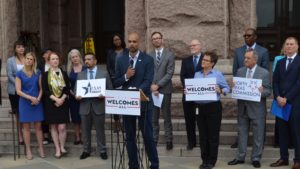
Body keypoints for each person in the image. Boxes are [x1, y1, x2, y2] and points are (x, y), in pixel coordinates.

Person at [114, 32, 159, 169]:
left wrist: (135, 91)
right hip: (127, 105)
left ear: (139, 43)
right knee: (129, 137)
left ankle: (154, 164)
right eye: (129, 41)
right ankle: (133, 165)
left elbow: (148, 80)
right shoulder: (121, 60)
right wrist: (126, 76)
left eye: (134, 41)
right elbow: (116, 82)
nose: (132, 44)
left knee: (148, 136)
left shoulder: (147, 59)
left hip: (144, 104)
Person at [228, 50, 271, 168]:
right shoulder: (240, 71)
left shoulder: (264, 73)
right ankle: (240, 157)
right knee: (242, 133)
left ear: (255, 60)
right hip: (243, 108)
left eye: (248, 58)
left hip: (257, 109)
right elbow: (236, 89)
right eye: (245, 58)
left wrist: (261, 91)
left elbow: (268, 91)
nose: (245, 60)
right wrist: (233, 87)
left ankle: (256, 158)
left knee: (258, 135)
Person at [231, 28, 270, 149]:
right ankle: (240, 149)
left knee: (258, 128)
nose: (246, 37)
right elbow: (235, 71)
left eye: (249, 35)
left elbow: (264, 71)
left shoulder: (263, 51)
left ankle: (258, 150)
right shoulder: (238, 51)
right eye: (245, 36)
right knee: (242, 127)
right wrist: (238, 86)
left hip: (256, 100)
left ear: (255, 37)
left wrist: (254, 88)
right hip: (243, 98)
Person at [192, 51, 229, 169]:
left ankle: (212, 161)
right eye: (203, 59)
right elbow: (194, 89)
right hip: (200, 107)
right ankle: (204, 159)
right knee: (203, 135)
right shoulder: (197, 74)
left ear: (212, 63)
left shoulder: (217, 75)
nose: (203, 61)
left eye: (206, 60)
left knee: (212, 135)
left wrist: (221, 90)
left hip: (213, 107)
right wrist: (189, 91)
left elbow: (227, 88)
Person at [270, 37, 300, 169]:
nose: (289, 46)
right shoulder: (280, 62)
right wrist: (277, 96)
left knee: (296, 132)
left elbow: (299, 83)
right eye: (287, 44)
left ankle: (298, 160)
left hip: (294, 103)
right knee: (282, 132)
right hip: (280, 103)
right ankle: (283, 158)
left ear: (297, 46)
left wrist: (286, 98)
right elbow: (275, 81)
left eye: (292, 44)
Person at [77, 53, 112, 160]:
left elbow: (110, 89)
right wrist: (77, 96)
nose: (87, 61)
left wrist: (104, 94)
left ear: (95, 61)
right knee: (85, 130)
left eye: (89, 59)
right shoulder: (80, 74)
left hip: (99, 106)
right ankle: (86, 150)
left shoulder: (104, 73)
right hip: (84, 106)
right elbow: (75, 90)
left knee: (100, 130)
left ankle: (102, 150)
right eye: (85, 59)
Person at [15, 52, 45, 160]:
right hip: (25, 102)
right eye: (27, 58)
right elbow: (18, 91)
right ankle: (28, 150)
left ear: (34, 61)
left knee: (38, 127)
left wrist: (38, 98)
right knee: (26, 128)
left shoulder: (38, 72)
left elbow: (41, 88)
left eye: (31, 59)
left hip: (37, 102)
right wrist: (30, 98)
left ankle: (41, 148)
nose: (28, 60)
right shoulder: (19, 73)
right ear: (24, 60)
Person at [149, 31, 175, 150]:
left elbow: (169, 73)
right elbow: (147, 72)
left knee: (166, 117)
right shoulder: (149, 55)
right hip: (152, 91)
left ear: (162, 39)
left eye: (158, 38)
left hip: (165, 90)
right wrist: (152, 86)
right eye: (154, 39)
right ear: (152, 41)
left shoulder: (169, 55)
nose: (156, 40)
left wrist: (158, 85)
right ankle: (154, 139)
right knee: (154, 117)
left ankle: (169, 140)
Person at [42, 51, 70, 158]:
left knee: (62, 127)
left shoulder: (64, 73)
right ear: (49, 61)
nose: (55, 61)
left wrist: (61, 99)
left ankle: (62, 146)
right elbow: (45, 90)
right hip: (50, 103)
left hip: (63, 102)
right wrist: (56, 100)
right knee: (53, 127)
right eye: (53, 59)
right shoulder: (45, 75)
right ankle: (57, 149)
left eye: (57, 59)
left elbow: (67, 89)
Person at [180, 39, 203, 150]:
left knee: (201, 120)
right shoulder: (186, 60)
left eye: (194, 45)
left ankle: (203, 141)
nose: (192, 47)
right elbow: (182, 76)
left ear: (200, 46)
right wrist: (188, 87)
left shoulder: (206, 59)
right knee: (189, 120)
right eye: (190, 46)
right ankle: (191, 142)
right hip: (188, 95)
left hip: (202, 96)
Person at [106, 33, 128, 131]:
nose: (117, 41)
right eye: (115, 40)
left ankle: (125, 122)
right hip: (114, 79)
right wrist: (113, 76)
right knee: (116, 101)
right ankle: (117, 123)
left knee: (124, 101)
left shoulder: (127, 51)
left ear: (122, 40)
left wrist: (125, 76)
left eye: (118, 39)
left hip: (125, 79)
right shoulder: (110, 52)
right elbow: (109, 66)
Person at [6, 40, 25, 145]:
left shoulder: (28, 58)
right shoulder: (10, 60)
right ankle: (20, 136)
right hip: (14, 91)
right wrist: (19, 85)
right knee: (18, 114)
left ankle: (25, 133)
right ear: (15, 49)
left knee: (24, 113)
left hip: (26, 91)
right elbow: (9, 75)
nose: (21, 48)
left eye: (22, 47)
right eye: (18, 47)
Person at [67, 49, 85, 145]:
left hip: (85, 98)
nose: (75, 58)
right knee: (75, 118)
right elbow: (67, 86)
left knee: (84, 118)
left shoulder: (85, 68)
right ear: (70, 59)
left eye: (76, 56)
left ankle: (85, 136)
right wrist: (73, 94)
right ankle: (77, 137)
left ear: (79, 57)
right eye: (73, 57)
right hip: (73, 98)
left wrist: (83, 95)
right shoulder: (69, 70)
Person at [37, 48, 53, 145]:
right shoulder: (40, 65)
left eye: (50, 52)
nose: (49, 53)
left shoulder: (55, 63)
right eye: (47, 52)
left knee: (53, 114)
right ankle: (46, 136)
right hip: (43, 94)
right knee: (44, 115)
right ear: (43, 55)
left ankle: (55, 134)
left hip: (55, 93)